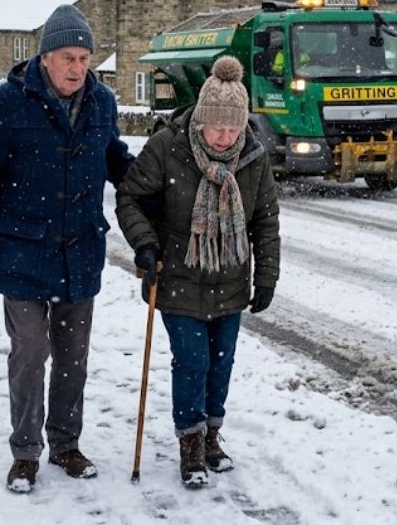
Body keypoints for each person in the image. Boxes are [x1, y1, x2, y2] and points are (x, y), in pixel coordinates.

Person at [0, 3, 133, 494]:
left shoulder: (102, 103)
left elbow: (112, 156)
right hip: (23, 253)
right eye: (68, 58)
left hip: (80, 253)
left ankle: (65, 443)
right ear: (46, 58)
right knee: (31, 354)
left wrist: (150, 182)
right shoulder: (8, 104)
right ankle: (25, 452)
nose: (78, 69)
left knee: (74, 358)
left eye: (84, 59)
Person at [115, 56, 281, 490]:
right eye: (218, 128)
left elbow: (265, 218)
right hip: (178, 274)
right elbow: (130, 197)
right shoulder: (168, 147)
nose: (226, 138)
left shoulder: (252, 155)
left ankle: (211, 436)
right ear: (202, 120)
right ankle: (189, 442)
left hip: (230, 276)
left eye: (234, 129)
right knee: (192, 361)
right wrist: (145, 246)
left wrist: (266, 276)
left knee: (220, 364)